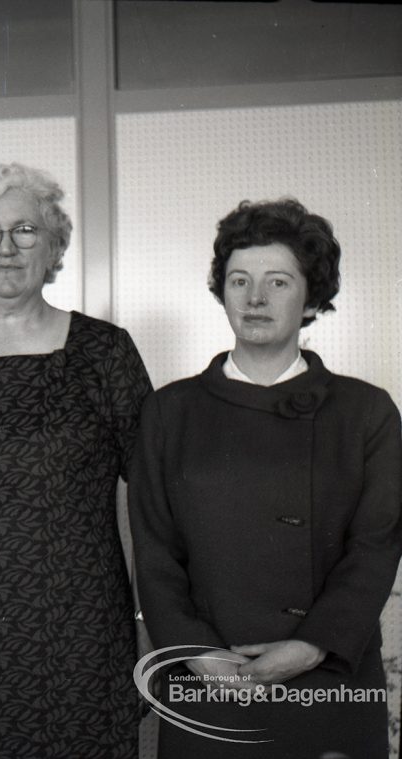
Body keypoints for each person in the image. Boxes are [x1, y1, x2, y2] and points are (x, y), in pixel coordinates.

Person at [129, 199, 402, 758]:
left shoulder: (366, 411)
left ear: (312, 297)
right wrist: (197, 655)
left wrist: (309, 646)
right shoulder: (168, 411)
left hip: (331, 678)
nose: (255, 299)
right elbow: (154, 553)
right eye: (239, 280)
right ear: (221, 291)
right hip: (208, 679)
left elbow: (376, 546)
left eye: (277, 282)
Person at [0, 161, 152, 757]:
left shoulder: (104, 352)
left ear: (55, 244)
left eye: (26, 230)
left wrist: (153, 627)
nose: (6, 247)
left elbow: (157, 501)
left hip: (79, 627)